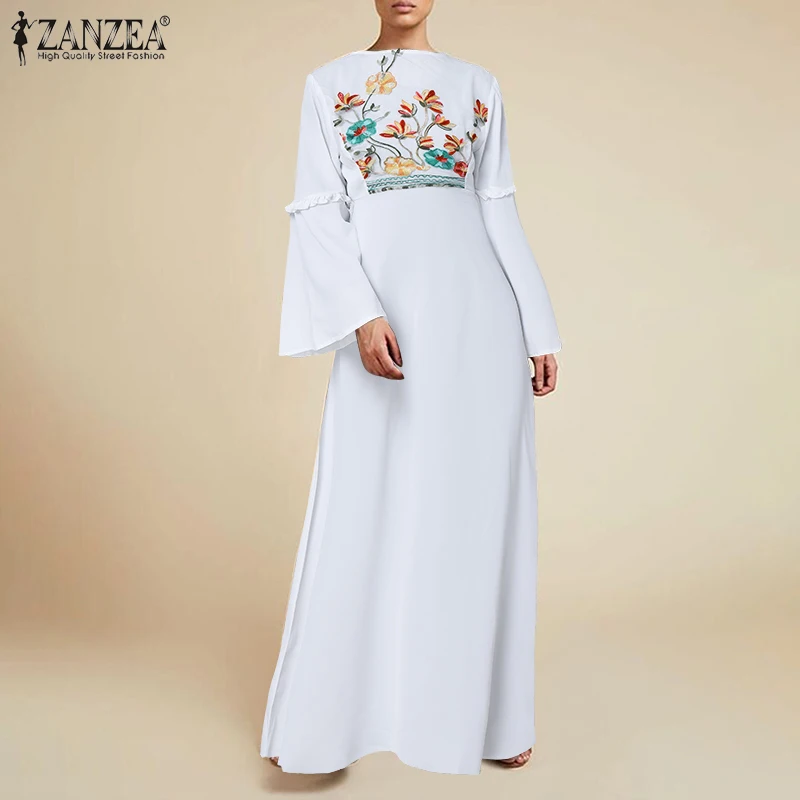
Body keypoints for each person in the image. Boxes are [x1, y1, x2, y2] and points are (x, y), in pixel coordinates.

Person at [262, 0, 560, 775]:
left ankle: (493, 721)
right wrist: (361, 315)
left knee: (477, 516)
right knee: (362, 504)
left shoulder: (477, 84)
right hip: (389, 324)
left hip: (481, 325)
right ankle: (324, 728)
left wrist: (540, 327)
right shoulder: (330, 84)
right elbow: (319, 210)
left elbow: (498, 207)